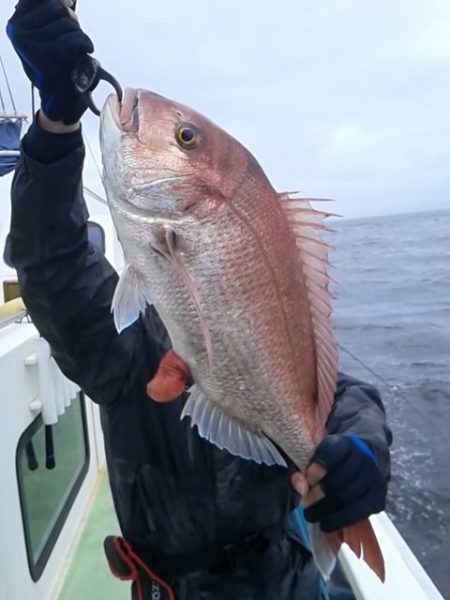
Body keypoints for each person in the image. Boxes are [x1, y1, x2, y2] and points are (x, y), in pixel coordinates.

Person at [5, 1, 392, 598]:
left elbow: (337, 391)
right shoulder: (123, 345)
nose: (173, 131)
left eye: (184, 138)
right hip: (171, 585)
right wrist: (55, 127)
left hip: (283, 573)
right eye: (186, 137)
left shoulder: (253, 299)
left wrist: (362, 448)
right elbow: (48, 262)